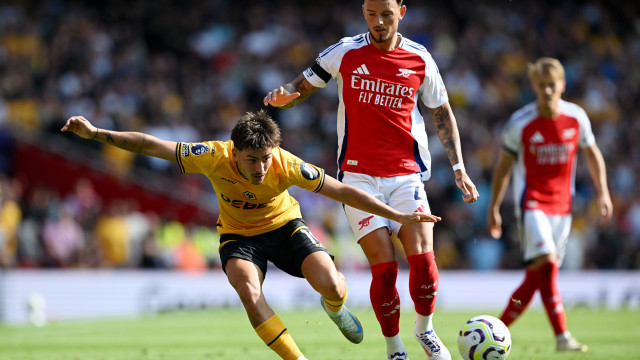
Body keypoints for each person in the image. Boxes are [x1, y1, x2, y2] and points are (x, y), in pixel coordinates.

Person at [61, 110, 442, 360]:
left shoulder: (286, 163)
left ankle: (334, 308)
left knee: (334, 286)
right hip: (239, 237)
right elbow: (149, 145)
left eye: (266, 158)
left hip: (286, 227)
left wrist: (393, 213)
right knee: (249, 291)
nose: (261, 167)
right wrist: (96, 133)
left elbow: (339, 190)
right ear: (235, 152)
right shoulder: (211, 154)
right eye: (252, 159)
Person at [264, 1, 479, 359]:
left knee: (424, 263)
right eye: (371, 14)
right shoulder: (345, 52)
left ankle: (425, 330)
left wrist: (459, 167)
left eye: (386, 15)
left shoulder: (420, 58)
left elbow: (441, 111)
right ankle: (395, 348)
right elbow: (302, 83)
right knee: (385, 268)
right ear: (364, 11)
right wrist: (286, 96)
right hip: (358, 180)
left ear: (402, 12)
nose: (378, 22)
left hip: (406, 175)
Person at [486, 57, 613, 353]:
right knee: (550, 261)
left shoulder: (577, 118)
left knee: (539, 274)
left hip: (562, 207)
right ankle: (562, 337)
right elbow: (502, 168)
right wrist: (494, 207)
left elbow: (593, 154)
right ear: (533, 86)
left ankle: (496, 329)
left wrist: (603, 193)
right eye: (541, 85)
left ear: (562, 85)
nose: (546, 91)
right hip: (532, 204)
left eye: (552, 85)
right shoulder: (520, 124)